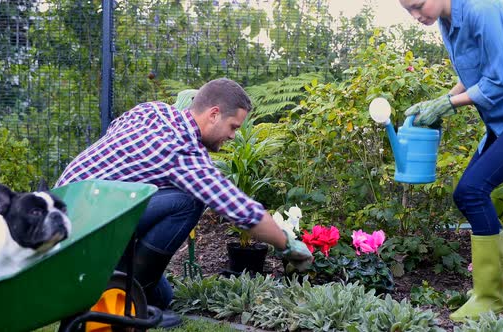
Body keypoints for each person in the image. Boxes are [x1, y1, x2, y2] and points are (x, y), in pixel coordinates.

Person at [55, 78, 313, 328]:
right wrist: (286, 243)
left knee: (163, 299)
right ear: (213, 114)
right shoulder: (182, 150)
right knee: (189, 200)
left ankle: (129, 281)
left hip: (62, 213)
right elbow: (239, 209)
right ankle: (129, 303)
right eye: (233, 127)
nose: (233, 136)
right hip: (83, 232)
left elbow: (119, 142)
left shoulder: (152, 110)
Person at [398, 0, 503, 321]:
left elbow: (499, 81)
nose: (416, 16)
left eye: (417, 5)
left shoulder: (482, 11)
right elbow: (474, 76)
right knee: (466, 194)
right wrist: (442, 99)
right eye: (408, 11)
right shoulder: (446, 23)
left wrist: (449, 105)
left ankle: (489, 295)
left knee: (473, 189)